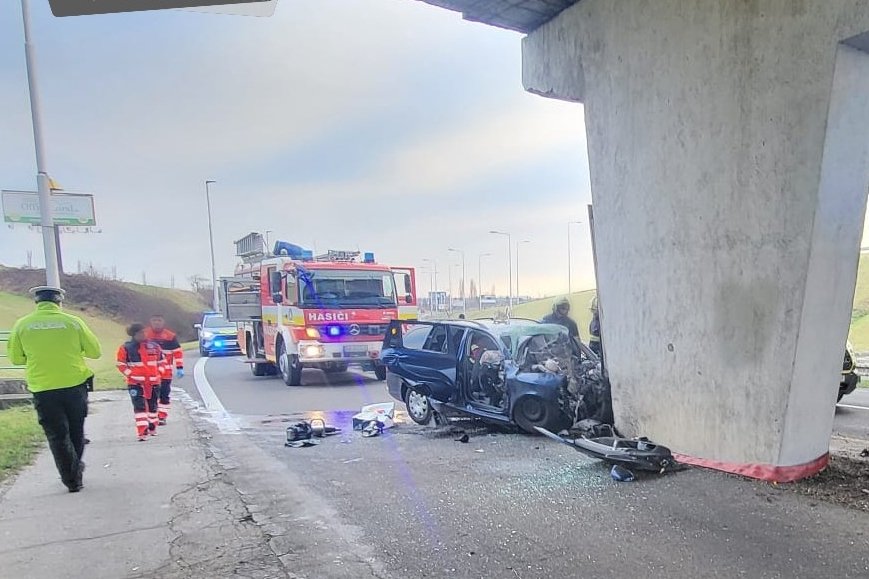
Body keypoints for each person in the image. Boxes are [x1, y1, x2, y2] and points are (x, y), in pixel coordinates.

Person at [7, 286, 101, 493]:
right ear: (59, 302)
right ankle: (75, 470)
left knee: (57, 435)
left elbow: (16, 359)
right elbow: (95, 352)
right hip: (74, 385)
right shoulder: (73, 322)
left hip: (43, 388)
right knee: (76, 430)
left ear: (37, 302)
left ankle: (71, 478)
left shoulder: (22, 325)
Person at [117, 323, 167, 441]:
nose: (144, 334)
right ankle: (142, 431)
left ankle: (152, 426)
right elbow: (121, 364)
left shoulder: (154, 346)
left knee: (153, 406)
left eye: (145, 332)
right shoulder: (126, 348)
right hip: (135, 383)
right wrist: (131, 375)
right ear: (134, 334)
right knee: (139, 407)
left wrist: (159, 373)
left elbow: (162, 362)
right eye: (141, 333)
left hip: (153, 383)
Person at [144, 315, 183, 425]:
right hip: (149, 373)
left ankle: (162, 416)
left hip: (166, 373)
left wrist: (180, 367)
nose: (157, 323)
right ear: (150, 321)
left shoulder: (170, 336)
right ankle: (150, 415)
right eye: (154, 320)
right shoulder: (144, 335)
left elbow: (177, 352)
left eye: (159, 320)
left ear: (163, 322)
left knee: (164, 395)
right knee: (149, 396)